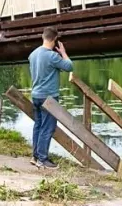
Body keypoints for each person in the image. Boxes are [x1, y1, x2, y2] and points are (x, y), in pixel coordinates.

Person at [28, 27, 72, 169]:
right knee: (48, 128)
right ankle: (43, 159)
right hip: (49, 98)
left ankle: (35, 156)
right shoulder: (52, 56)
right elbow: (69, 66)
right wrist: (63, 53)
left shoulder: (33, 54)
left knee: (38, 126)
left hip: (36, 95)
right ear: (54, 39)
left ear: (43, 37)